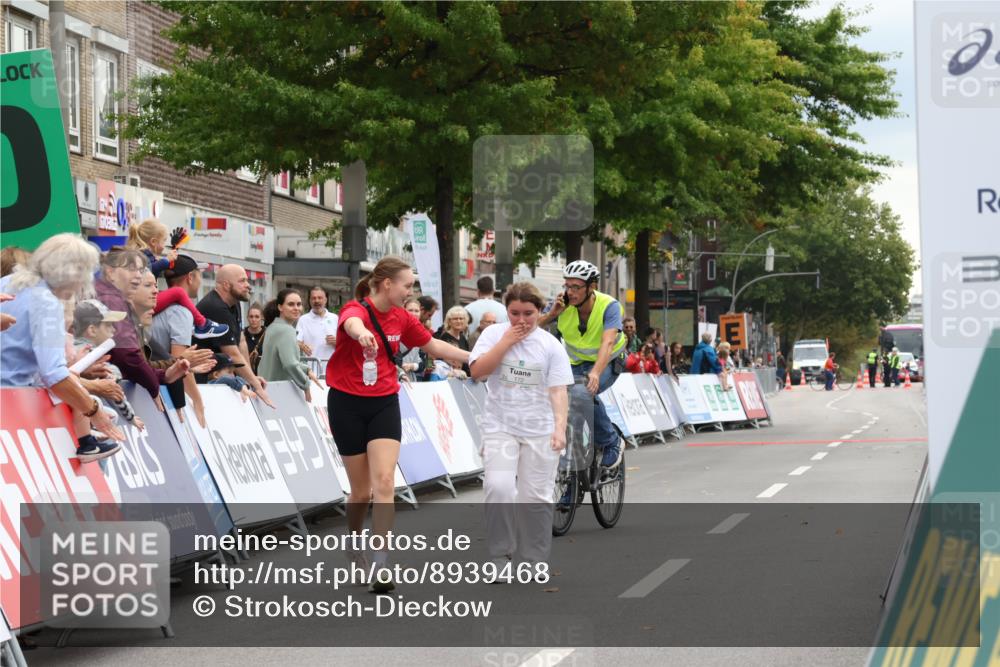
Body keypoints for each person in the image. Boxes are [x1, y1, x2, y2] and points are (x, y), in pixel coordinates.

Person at [325, 256, 469, 593]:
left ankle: (380, 563)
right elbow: (351, 324)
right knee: (361, 492)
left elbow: (432, 345)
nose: (410, 292)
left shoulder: (403, 318)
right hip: (346, 402)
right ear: (386, 284)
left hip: (384, 401)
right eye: (406, 285)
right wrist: (361, 336)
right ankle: (353, 542)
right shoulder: (356, 309)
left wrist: (472, 357)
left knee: (386, 482)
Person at [469, 282, 572, 580]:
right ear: (506, 311)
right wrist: (506, 342)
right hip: (500, 425)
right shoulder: (492, 334)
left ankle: (533, 559)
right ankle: (500, 555)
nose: (521, 320)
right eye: (514, 313)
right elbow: (478, 372)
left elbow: (558, 391)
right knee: (498, 487)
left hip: (540, 428)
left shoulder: (550, 345)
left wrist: (560, 429)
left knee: (535, 496)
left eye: (528, 313)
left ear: (539, 312)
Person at [0, 234, 124, 461]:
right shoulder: (46, 302)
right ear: (73, 273)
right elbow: (54, 374)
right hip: (14, 400)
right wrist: (93, 410)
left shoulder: (7, 283)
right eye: (86, 274)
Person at [537, 259, 627, 469]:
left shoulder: (609, 306)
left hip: (607, 362)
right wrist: (552, 314)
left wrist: (596, 372)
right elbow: (533, 330)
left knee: (581, 393)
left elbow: (608, 341)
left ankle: (611, 441)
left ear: (591, 286)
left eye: (576, 287)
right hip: (575, 363)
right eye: (567, 286)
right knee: (562, 405)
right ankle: (572, 483)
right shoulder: (562, 305)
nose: (571, 292)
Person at [95, 248, 190, 399]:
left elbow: (136, 360)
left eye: (140, 270)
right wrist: (154, 387)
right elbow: (128, 357)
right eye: (131, 269)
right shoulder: (110, 299)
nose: (138, 275)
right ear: (110, 272)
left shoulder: (114, 299)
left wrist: (164, 375)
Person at [126, 218, 229, 339]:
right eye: (164, 241)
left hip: (142, 302)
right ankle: (202, 324)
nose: (165, 246)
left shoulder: (144, 255)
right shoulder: (140, 256)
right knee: (179, 292)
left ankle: (202, 324)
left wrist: (174, 248)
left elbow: (166, 266)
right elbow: (148, 271)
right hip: (140, 303)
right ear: (153, 242)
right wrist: (165, 261)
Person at [147, 255, 217, 425]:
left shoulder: (163, 304)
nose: (201, 280)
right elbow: (180, 363)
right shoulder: (181, 312)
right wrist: (197, 401)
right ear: (190, 278)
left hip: (151, 378)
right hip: (155, 387)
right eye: (200, 274)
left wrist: (191, 369)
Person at [196, 264, 273, 406]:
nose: (248, 285)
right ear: (226, 285)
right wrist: (256, 385)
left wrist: (251, 376)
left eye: (247, 280)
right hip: (204, 381)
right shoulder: (216, 307)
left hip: (220, 375)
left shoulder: (234, 302)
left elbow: (241, 342)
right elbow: (232, 353)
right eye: (242, 281)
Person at [72, 300, 145, 432]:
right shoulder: (95, 359)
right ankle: (92, 436)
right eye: (108, 325)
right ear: (92, 330)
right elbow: (115, 393)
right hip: (75, 413)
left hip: (63, 409)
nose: (114, 329)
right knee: (111, 416)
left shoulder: (67, 347)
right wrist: (131, 418)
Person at [258, 289, 321, 402]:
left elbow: (283, 361)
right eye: (291, 304)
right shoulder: (286, 330)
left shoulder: (273, 327)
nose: (296, 308)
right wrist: (305, 384)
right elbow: (290, 364)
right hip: (279, 393)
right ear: (280, 307)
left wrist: (306, 369)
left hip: (267, 389)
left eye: (299, 304)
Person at [296, 286, 339, 367]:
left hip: (332, 368)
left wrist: (337, 342)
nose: (317, 301)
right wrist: (302, 346)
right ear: (310, 301)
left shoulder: (335, 318)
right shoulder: (303, 320)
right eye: (313, 298)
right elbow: (296, 342)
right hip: (311, 369)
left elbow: (345, 344)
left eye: (320, 298)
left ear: (325, 300)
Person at [434, 305, 472, 375]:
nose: (458, 321)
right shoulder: (444, 337)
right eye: (455, 319)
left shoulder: (463, 338)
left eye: (461, 318)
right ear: (449, 321)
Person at [244, 303, 266, 375]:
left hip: (263, 374)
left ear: (261, 317)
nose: (253, 319)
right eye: (251, 316)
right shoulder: (241, 335)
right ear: (247, 317)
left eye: (257, 317)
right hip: (246, 375)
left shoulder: (267, 334)